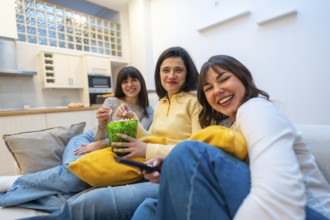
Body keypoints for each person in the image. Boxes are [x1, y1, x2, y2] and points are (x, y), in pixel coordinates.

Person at [132, 55, 330, 220]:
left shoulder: (255, 109)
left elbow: (279, 197)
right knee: (149, 208)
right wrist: (173, 167)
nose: (217, 90)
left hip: (307, 211)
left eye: (224, 79)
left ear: (243, 78)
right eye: (208, 88)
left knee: (188, 151)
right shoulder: (226, 126)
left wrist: (182, 159)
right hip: (256, 198)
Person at [24, 46, 202, 219]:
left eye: (178, 70)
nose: (171, 75)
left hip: (139, 154)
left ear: (188, 73)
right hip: (96, 139)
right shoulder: (160, 103)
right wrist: (119, 123)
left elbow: (187, 147)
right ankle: (22, 187)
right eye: (166, 70)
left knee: (78, 177)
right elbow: (150, 137)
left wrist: (136, 138)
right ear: (159, 74)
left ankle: (26, 190)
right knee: (74, 168)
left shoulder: (179, 104)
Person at [0, 66, 153, 212]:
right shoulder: (112, 102)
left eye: (134, 80)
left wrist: (101, 144)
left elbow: (136, 140)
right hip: (86, 140)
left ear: (141, 82)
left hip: (103, 148)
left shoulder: (148, 112)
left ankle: (9, 195)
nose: (130, 84)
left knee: (79, 184)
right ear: (120, 85)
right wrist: (101, 124)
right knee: (73, 174)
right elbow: (97, 136)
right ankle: (11, 183)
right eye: (124, 81)